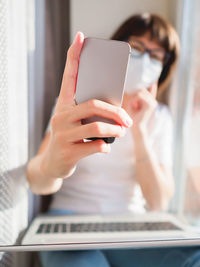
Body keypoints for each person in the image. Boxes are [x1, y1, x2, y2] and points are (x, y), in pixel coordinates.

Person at [26, 13, 196, 267]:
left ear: (164, 68)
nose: (145, 60)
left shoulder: (160, 118)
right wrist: (52, 165)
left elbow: (158, 201)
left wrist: (139, 131)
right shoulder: (77, 102)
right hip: (70, 223)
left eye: (156, 56)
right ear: (120, 47)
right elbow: (36, 181)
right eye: (137, 48)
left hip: (131, 229)